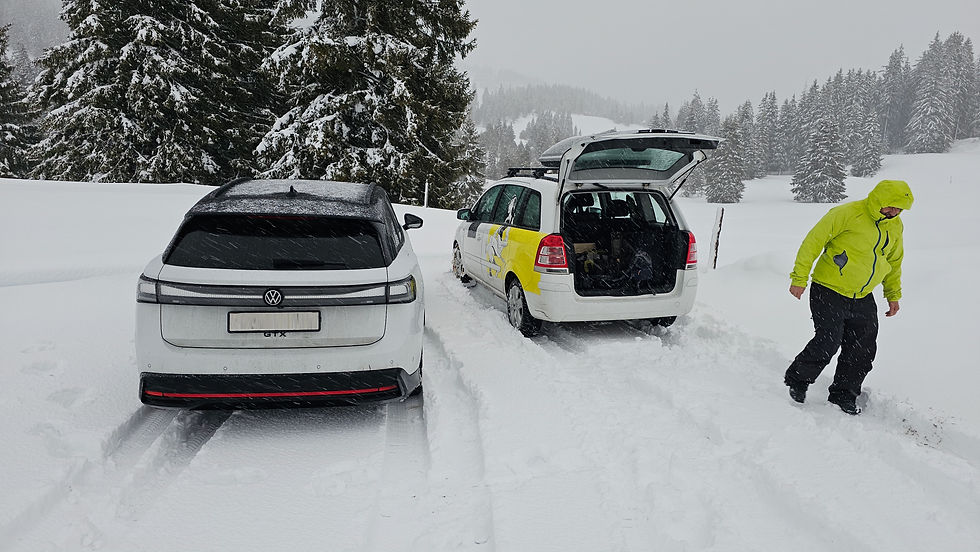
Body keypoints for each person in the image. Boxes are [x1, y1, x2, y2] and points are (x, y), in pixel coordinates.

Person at [784, 179, 914, 415]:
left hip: (863, 294)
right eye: (891, 206)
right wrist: (799, 278)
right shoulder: (847, 213)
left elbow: (894, 262)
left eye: (900, 208)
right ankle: (798, 379)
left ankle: (844, 395)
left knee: (862, 349)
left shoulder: (895, 226)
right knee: (828, 340)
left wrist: (893, 294)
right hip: (829, 288)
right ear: (878, 200)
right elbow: (813, 242)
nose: (895, 212)